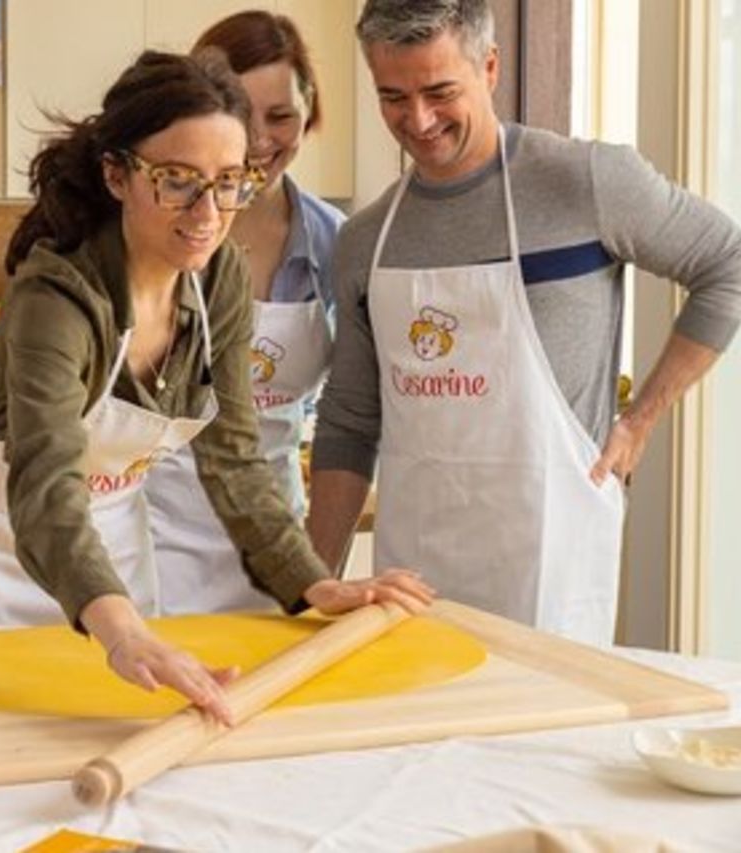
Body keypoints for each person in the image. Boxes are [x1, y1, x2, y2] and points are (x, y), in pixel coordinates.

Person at [0, 50, 433, 723]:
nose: (208, 211)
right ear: (117, 173)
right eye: (177, 180)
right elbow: (47, 487)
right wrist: (123, 630)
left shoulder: (217, 276)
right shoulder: (59, 296)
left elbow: (233, 457)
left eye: (230, 182)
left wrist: (314, 582)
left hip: (113, 559)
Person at [307, 0, 741, 645]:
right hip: (414, 569)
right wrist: (312, 584)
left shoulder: (587, 182)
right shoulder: (366, 239)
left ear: (489, 66)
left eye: (439, 91)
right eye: (393, 96)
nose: (418, 120)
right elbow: (349, 420)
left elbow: (725, 265)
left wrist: (640, 420)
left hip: (552, 563)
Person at [145, 11, 346, 614]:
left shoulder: (335, 243)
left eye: (281, 116)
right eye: (240, 114)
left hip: (272, 536)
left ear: (309, 111)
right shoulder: (160, 231)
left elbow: (352, 411)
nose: (260, 140)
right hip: (150, 528)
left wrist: (317, 566)